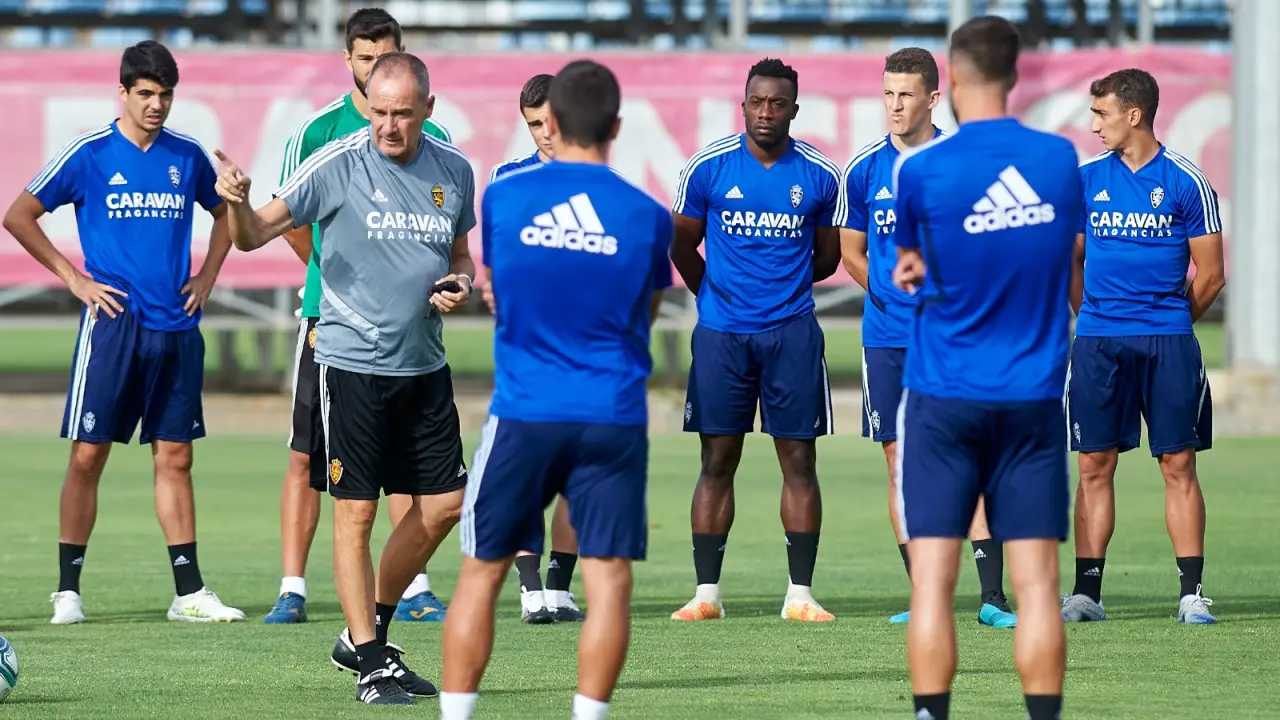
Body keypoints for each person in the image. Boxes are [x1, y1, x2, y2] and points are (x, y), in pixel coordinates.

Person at [213, 52, 475, 705]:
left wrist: (461, 283)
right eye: (379, 112)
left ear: (428, 110)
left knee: (446, 505)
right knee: (356, 512)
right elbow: (253, 235)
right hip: (351, 363)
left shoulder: (455, 169)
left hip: (425, 365)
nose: (388, 126)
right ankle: (371, 667)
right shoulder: (337, 163)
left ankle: (366, 634)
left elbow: (462, 254)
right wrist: (238, 206)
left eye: (402, 114)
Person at [439, 58, 671, 720]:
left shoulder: (504, 199)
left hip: (526, 410)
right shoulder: (648, 216)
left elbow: (501, 290)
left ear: (555, 121)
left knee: (481, 572)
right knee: (609, 581)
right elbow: (646, 311)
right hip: (612, 414)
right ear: (617, 126)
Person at [2, 41, 244, 625]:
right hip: (113, 327)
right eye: (146, 94)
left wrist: (208, 275)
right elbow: (18, 215)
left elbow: (225, 215)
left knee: (176, 457)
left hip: (176, 326)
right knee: (89, 455)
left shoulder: (187, 155)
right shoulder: (89, 153)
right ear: (123, 92)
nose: (156, 105)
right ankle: (68, 592)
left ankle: (188, 593)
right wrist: (75, 280)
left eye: (165, 95)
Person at [891, 17, 1080, 720]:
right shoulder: (1059, 161)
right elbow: (1063, 253)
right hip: (1032, 397)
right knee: (1038, 585)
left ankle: (931, 713)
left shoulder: (921, 170)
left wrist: (918, 270)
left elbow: (912, 264)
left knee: (933, 585)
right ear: (1016, 75)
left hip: (944, 395)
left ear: (951, 78)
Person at [264, 7, 451, 626]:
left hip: (410, 337)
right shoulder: (320, 133)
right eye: (365, 60)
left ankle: (411, 586)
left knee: (404, 469)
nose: (374, 71)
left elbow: (450, 237)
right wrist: (341, 275)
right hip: (331, 320)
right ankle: (293, 587)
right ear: (348, 60)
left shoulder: (438, 141)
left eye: (384, 58)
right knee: (307, 455)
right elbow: (287, 219)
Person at [838, 47, 1016, 629]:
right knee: (899, 463)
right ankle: (927, 596)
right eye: (888, 93)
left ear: (934, 98)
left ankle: (993, 597)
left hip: (951, 339)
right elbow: (850, 252)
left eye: (906, 94)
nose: (894, 105)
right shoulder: (864, 170)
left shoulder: (962, 165)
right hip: (887, 338)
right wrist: (888, 295)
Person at [668, 57, 842, 623]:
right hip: (722, 335)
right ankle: (706, 594)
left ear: (794, 109)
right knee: (717, 459)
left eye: (777, 103)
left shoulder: (820, 174)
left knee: (800, 459)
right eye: (756, 102)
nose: (766, 112)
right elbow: (680, 245)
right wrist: (712, 294)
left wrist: (778, 288)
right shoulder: (708, 167)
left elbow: (827, 259)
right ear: (742, 106)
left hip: (792, 334)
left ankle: (800, 595)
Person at [1062, 68, 1224, 625]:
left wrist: (1170, 320)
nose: (1093, 125)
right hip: (1098, 342)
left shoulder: (1185, 181)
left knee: (1178, 463)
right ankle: (1086, 595)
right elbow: (1071, 260)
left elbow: (1210, 274)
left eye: (1101, 113)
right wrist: (1093, 318)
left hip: (1167, 343)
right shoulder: (1085, 180)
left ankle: (1191, 594)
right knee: (1093, 464)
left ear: (1134, 115)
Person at [485, 72, 586, 626]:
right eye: (533, 125)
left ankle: (560, 588)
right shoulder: (507, 181)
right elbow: (496, 263)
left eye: (550, 121)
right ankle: (529, 590)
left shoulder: (601, 181)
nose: (544, 133)